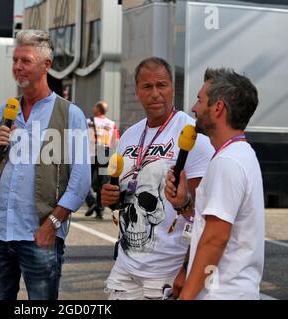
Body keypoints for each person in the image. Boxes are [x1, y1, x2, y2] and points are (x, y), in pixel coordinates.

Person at [0, 29, 91, 300]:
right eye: (15, 60)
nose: (18, 67)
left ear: (46, 65)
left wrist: (51, 224)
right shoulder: (5, 110)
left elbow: (80, 180)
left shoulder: (70, 114)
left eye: (26, 61)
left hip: (39, 236)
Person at [100, 57, 214, 300]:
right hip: (126, 267)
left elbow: (206, 214)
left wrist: (187, 271)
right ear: (137, 91)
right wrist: (112, 199)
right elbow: (125, 195)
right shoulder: (130, 135)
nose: (155, 94)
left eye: (161, 85)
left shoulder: (193, 137)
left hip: (167, 272)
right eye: (147, 87)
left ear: (172, 88)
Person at [164, 68, 264, 300]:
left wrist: (186, 297)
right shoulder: (240, 154)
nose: (194, 108)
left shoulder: (227, 161)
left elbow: (216, 238)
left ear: (218, 108)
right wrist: (183, 204)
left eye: (200, 100)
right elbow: (217, 226)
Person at [85, 100, 119, 219]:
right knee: (101, 183)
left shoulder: (88, 121)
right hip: (106, 153)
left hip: (91, 153)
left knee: (85, 180)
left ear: (97, 109)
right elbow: (115, 141)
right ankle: (100, 210)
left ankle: (92, 202)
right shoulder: (111, 124)